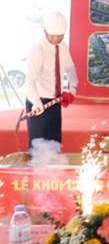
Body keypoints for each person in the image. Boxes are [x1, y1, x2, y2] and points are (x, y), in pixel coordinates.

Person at [24, 11, 78, 148]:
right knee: (38, 145)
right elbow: (30, 80)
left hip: (55, 102)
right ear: (45, 31)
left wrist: (72, 88)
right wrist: (35, 101)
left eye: (60, 36)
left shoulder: (63, 47)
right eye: (53, 36)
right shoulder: (38, 51)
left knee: (54, 141)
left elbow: (71, 69)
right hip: (38, 102)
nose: (57, 39)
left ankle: (55, 167)